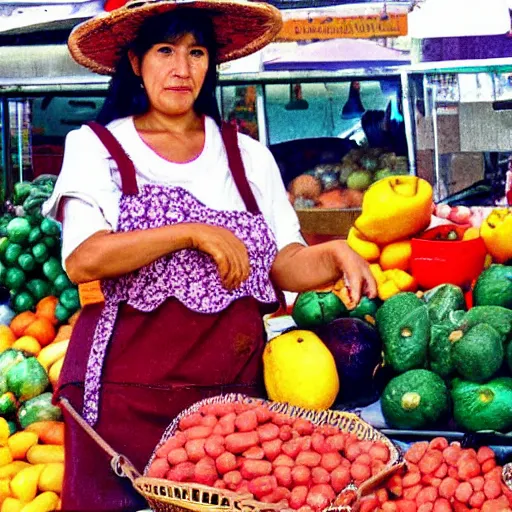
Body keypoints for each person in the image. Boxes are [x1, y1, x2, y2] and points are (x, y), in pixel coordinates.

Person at [43, 0, 377, 510]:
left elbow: (282, 261)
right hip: (122, 401)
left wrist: (330, 255)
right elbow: (84, 259)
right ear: (135, 61)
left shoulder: (249, 156)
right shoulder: (97, 147)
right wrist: (189, 232)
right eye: (164, 51)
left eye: (196, 52)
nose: (182, 68)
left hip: (227, 411)